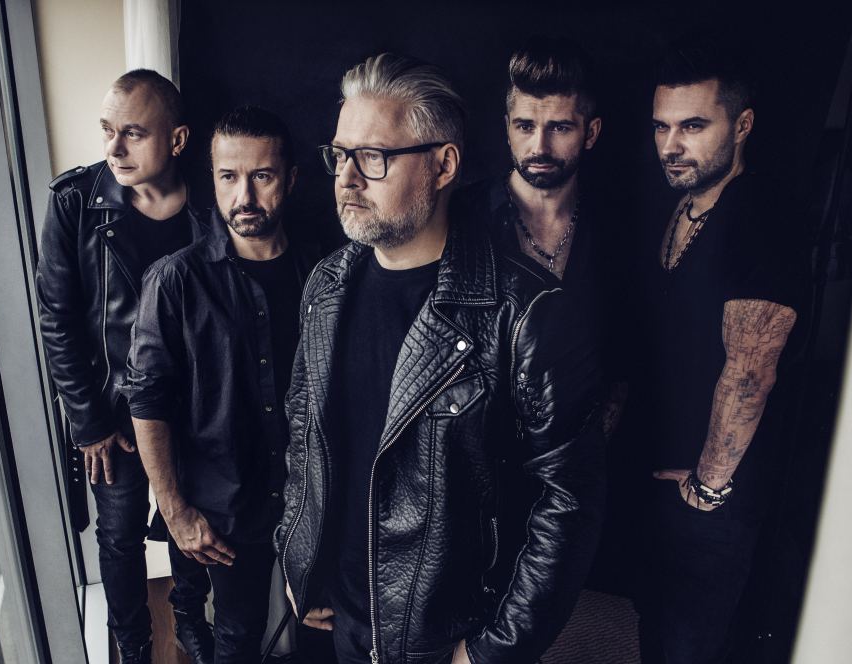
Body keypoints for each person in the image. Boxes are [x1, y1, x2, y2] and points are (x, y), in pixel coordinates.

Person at [276, 53, 606, 664]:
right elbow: (303, 429)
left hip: (448, 639)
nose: (347, 179)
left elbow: (567, 502)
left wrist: (492, 650)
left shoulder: (523, 310)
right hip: (341, 615)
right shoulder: (327, 285)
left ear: (443, 165)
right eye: (340, 155)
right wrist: (299, 554)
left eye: (372, 157)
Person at [125, 106, 321, 663]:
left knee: (324, 628)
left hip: (314, 500)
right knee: (238, 634)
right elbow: (148, 403)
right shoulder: (174, 281)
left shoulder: (325, 271)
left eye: (262, 176)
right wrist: (175, 512)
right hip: (228, 506)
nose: (244, 197)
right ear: (211, 178)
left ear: (290, 179)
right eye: (228, 177)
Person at [631, 43, 806, 663]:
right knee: (654, 634)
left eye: (693, 126)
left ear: (742, 124)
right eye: (662, 127)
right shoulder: (684, 204)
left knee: (689, 648)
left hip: (716, 501)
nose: (671, 145)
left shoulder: (759, 218)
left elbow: (751, 370)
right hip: (667, 481)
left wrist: (707, 489)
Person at [35, 69, 212, 664]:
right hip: (114, 413)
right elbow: (57, 318)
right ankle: (133, 647)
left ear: (177, 140)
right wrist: (89, 422)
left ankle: (191, 625)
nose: (114, 148)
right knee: (119, 536)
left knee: (193, 519)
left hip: (195, 407)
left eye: (132, 133)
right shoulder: (76, 202)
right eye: (107, 130)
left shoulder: (212, 201)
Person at [455, 36, 629, 439]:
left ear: (591, 132)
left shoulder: (616, 228)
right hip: (479, 451)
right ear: (507, 129)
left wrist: (591, 447)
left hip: (584, 452)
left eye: (560, 127)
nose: (540, 146)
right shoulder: (461, 218)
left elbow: (624, 353)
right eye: (525, 126)